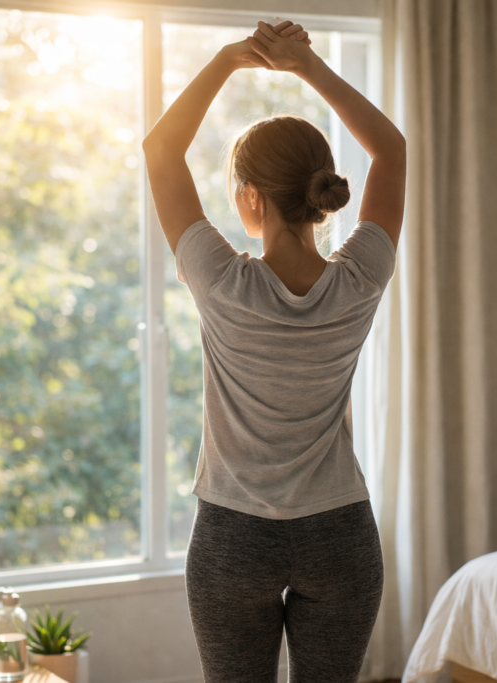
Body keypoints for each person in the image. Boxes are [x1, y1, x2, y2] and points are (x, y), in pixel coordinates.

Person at [142, 17, 405, 683]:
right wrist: (306, 68)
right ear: (319, 193)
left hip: (234, 538)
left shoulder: (221, 281)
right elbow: (392, 151)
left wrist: (234, 58)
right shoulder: (360, 279)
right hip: (340, 535)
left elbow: (160, 150)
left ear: (252, 198)